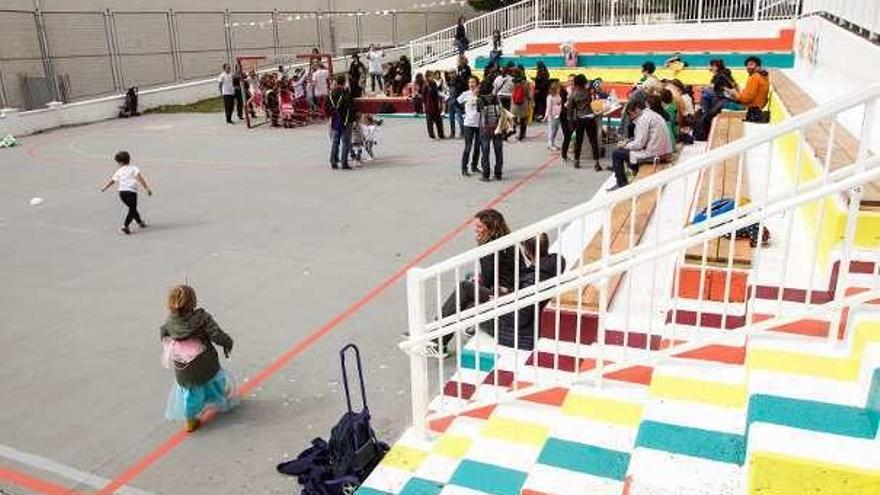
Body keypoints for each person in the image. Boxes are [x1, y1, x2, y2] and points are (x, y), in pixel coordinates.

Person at [437, 209, 516, 354]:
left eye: (479, 227)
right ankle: (449, 327)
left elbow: (488, 278)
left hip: (502, 295)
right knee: (470, 277)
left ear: (491, 228)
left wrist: (477, 285)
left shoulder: (490, 248)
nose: (476, 229)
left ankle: (438, 338)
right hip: (507, 288)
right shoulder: (506, 240)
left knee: (465, 287)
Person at [160, 285, 236, 433]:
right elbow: (216, 334)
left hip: (185, 369)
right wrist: (228, 343)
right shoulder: (202, 318)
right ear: (193, 302)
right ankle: (219, 398)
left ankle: (190, 420)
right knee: (215, 380)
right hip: (206, 363)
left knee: (191, 394)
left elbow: (164, 335)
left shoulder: (170, 321)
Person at [498, 233, 566, 351]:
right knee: (472, 288)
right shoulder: (551, 266)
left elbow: (520, 318)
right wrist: (507, 293)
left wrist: (498, 303)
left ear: (528, 252)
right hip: (527, 320)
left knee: (471, 300)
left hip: (520, 335)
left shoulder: (534, 278)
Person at [608, 99, 672, 191]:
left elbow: (638, 145)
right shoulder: (651, 114)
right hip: (663, 151)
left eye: (631, 114)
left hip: (655, 154)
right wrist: (629, 142)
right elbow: (643, 139)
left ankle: (621, 184)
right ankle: (631, 177)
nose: (632, 117)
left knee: (616, 153)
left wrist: (624, 145)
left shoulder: (643, 119)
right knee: (626, 152)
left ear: (637, 109)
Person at [100, 151, 153, 235]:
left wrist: (105, 187)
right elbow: (140, 178)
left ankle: (140, 222)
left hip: (122, 193)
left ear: (120, 162)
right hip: (131, 192)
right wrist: (147, 188)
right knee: (132, 209)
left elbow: (113, 180)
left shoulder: (119, 171)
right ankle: (125, 226)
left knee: (133, 208)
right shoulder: (134, 168)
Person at [566, 74, 601, 170]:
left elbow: (570, 110)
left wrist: (570, 122)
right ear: (584, 82)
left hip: (580, 118)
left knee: (578, 140)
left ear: (575, 83)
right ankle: (597, 162)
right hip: (590, 117)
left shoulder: (573, 94)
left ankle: (576, 160)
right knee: (593, 141)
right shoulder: (588, 93)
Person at [477, 82, 504, 181]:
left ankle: (486, 174)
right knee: (498, 150)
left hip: (485, 128)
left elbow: (479, 112)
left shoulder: (480, 99)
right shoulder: (496, 98)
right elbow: (501, 111)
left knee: (485, 151)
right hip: (497, 126)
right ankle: (498, 173)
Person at [328, 75, 354, 170]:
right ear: (344, 82)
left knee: (335, 140)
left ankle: (333, 161)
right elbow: (350, 105)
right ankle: (344, 162)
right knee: (346, 141)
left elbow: (327, 106)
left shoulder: (331, 93)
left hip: (335, 118)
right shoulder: (345, 93)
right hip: (345, 119)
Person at [732, 56, 770, 121]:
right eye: (747, 65)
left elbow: (745, 99)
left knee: (720, 103)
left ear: (758, 66)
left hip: (751, 110)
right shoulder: (764, 77)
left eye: (751, 64)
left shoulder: (755, 77)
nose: (748, 67)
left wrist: (734, 93)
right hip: (758, 108)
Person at [458, 75, 482, 176]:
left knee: (477, 147)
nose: (471, 84)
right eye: (469, 82)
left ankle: (474, 166)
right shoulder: (465, 94)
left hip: (479, 123)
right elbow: (457, 102)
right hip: (468, 124)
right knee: (468, 147)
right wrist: (463, 113)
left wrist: (477, 95)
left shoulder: (481, 94)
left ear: (477, 83)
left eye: (473, 82)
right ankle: (464, 168)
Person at [422, 72, 445, 139]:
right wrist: (423, 106)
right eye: (431, 76)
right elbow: (423, 97)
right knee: (429, 121)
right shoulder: (425, 85)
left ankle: (441, 134)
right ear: (428, 77)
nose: (433, 77)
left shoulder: (434, 84)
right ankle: (431, 135)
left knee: (439, 120)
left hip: (435, 104)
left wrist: (439, 103)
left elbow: (437, 94)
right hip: (428, 105)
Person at [510, 70, 532, 141]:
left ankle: (514, 131)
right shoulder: (526, 83)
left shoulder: (512, 82)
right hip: (523, 104)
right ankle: (522, 135)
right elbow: (529, 94)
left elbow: (510, 91)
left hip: (514, 104)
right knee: (523, 120)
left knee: (514, 119)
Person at [545, 80, 563, 151]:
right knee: (552, 130)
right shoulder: (550, 97)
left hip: (558, 115)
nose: (559, 90)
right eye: (558, 88)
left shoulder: (558, 95)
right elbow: (548, 107)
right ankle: (550, 144)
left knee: (555, 130)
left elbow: (559, 103)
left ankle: (552, 143)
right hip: (552, 116)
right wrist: (546, 115)